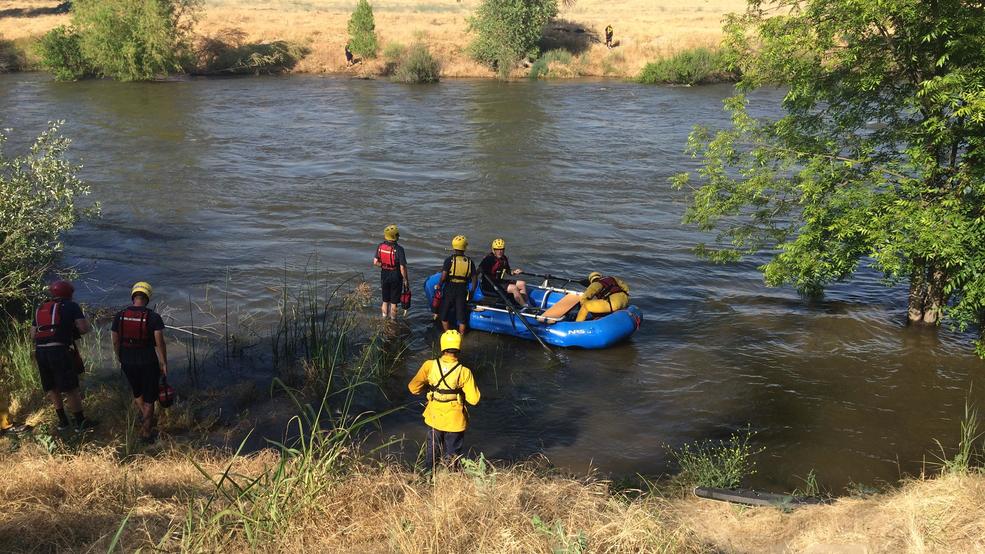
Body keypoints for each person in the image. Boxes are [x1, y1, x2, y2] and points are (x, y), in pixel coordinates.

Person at [407, 329, 480, 469]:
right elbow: (474, 399)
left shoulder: (429, 365)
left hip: (434, 416)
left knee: (432, 453)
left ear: (442, 347)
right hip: (455, 420)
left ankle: (428, 478)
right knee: (452, 456)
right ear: (458, 348)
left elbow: (413, 387)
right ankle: (450, 480)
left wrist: (429, 389)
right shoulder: (464, 371)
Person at [31, 280, 93, 432]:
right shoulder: (71, 306)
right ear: (69, 294)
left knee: (52, 387)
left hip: (40, 352)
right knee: (71, 388)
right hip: (58, 351)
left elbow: (33, 334)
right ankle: (80, 423)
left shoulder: (41, 307)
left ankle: (63, 422)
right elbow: (83, 328)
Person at [112, 281, 168, 444]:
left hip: (127, 360)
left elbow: (115, 340)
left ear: (133, 296)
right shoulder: (153, 317)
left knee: (137, 393)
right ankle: (145, 432)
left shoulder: (120, 315)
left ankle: (144, 417)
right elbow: (160, 342)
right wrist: (164, 363)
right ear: (148, 297)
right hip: (148, 361)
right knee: (150, 398)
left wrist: (119, 356)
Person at [436, 235, 477, 334]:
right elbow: (474, 280)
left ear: (454, 246)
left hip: (450, 288)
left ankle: (448, 333)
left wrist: (439, 285)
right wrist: (471, 292)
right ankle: (461, 337)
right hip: (462, 289)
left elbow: (444, 276)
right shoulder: (470, 262)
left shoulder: (449, 260)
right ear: (465, 247)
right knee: (462, 318)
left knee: (444, 315)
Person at [373, 224, 409, 319]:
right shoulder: (400, 249)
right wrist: (405, 280)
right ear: (395, 236)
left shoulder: (380, 246)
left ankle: (384, 318)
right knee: (394, 303)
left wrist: (384, 265)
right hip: (396, 276)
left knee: (385, 301)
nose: (398, 236)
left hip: (384, 274)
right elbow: (402, 267)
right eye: (397, 234)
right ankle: (393, 321)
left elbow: (375, 262)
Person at [478, 238, 527, 306]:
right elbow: (478, 270)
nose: (500, 251)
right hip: (490, 284)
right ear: (493, 250)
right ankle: (525, 306)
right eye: (497, 249)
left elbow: (509, 272)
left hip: (499, 282)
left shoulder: (504, 259)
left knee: (522, 283)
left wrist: (515, 272)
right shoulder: (489, 259)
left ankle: (524, 303)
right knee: (514, 288)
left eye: (502, 249)